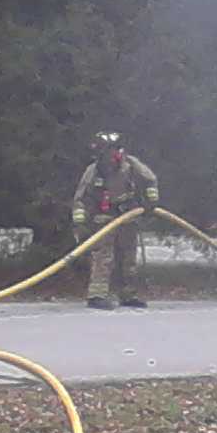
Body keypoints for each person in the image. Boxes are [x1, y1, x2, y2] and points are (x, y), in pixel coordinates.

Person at [72, 131, 159, 310]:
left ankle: (128, 294)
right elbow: (80, 200)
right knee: (103, 257)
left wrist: (150, 203)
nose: (108, 158)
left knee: (128, 258)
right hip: (103, 220)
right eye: (103, 153)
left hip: (127, 216)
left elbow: (150, 181)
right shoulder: (93, 171)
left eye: (111, 152)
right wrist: (80, 224)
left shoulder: (132, 165)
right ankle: (96, 295)